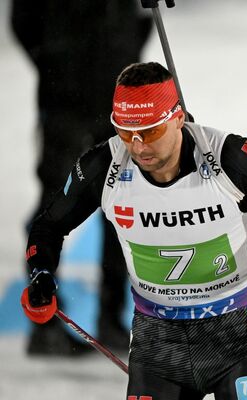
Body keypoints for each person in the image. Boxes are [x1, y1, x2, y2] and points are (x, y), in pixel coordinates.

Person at [20, 62, 247, 399]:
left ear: (177, 118)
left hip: (236, 331)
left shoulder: (227, 157)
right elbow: (49, 226)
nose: (138, 146)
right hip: (157, 342)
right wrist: (41, 273)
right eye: (126, 132)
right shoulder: (104, 166)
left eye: (151, 131)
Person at [11, 0, 153, 355]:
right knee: (54, 207)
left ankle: (113, 320)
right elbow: (22, 20)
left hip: (116, 100)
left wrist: (127, 58)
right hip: (64, 100)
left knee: (123, 208)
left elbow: (146, 15)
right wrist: (54, 61)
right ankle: (46, 326)